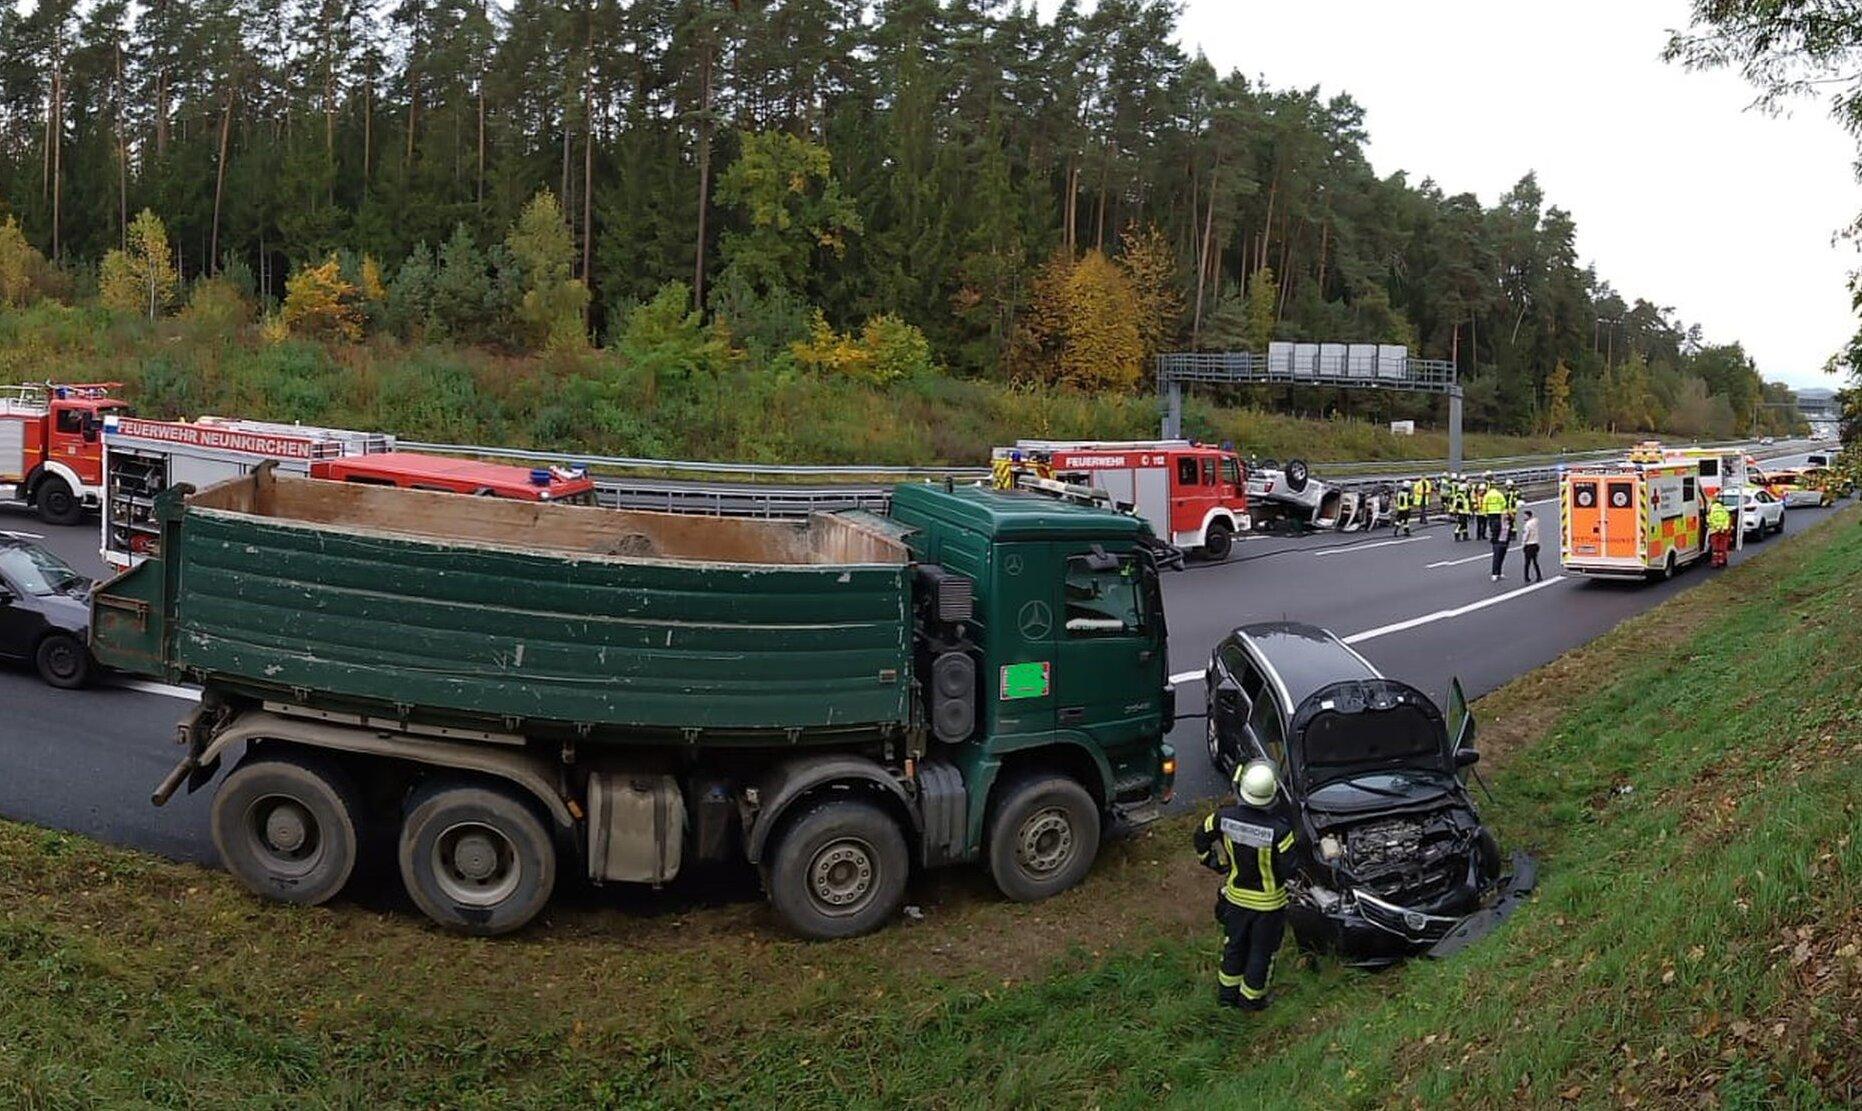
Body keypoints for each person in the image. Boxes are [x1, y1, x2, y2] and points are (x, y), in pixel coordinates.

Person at [1194, 761, 1297, 1011]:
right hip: (1269, 906)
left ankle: (1227, 998)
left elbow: (1200, 838)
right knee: (1262, 953)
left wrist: (1213, 862)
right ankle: (1251, 1001)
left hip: (1235, 899)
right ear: (1272, 794)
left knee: (1234, 947)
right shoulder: (1281, 832)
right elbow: (1289, 869)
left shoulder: (1221, 818)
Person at [1489, 500, 1513, 581]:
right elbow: (1494, 532)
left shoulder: (1509, 523)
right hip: (1498, 542)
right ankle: (1494, 573)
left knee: (1502, 558)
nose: (1506, 516)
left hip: (1505, 542)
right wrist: (1495, 541)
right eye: (1504, 514)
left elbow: (1510, 532)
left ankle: (1499, 572)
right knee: (1496, 558)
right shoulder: (1497, 522)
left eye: (1507, 514)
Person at [1481, 481, 1508, 549]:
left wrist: (1484, 512)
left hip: (1490, 512)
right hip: (1498, 511)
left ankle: (1493, 536)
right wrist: (1502, 509)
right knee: (1498, 524)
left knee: (1491, 524)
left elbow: (1484, 503)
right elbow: (1503, 502)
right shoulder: (1499, 494)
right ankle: (1497, 536)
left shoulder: (1488, 495)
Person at [1707, 498, 1733, 568]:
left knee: (1715, 547)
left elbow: (1709, 520)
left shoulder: (1711, 510)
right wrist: (1724, 528)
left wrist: (1716, 527)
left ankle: (1715, 562)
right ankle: (1722, 560)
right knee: (1722, 546)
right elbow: (1727, 520)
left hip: (1714, 531)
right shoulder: (1724, 510)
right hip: (1723, 531)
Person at [1521, 509, 1544, 582]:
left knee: (1527, 563)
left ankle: (1526, 577)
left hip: (1529, 545)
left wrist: (1523, 544)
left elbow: (1526, 535)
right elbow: (1536, 520)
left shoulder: (1527, 525)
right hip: (1535, 544)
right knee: (1535, 562)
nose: (1523, 517)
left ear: (1528, 516)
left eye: (1524, 515)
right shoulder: (1535, 522)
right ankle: (1539, 576)